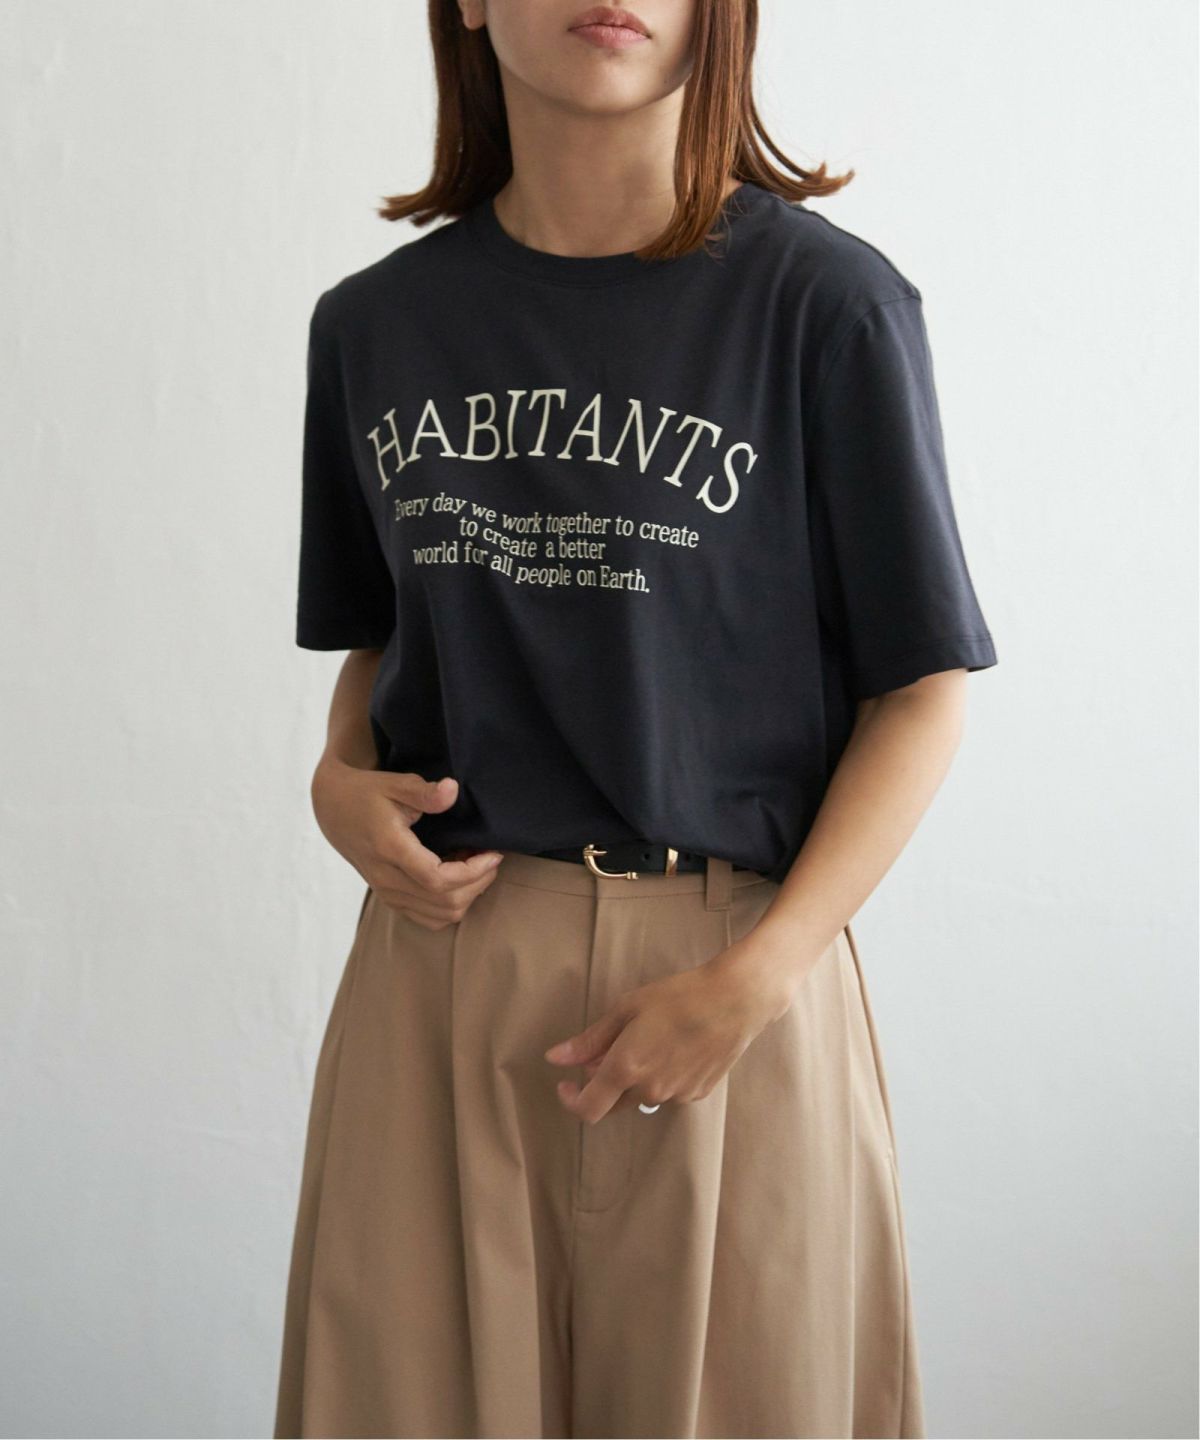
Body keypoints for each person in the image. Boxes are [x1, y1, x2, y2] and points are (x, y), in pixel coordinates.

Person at [272, 1, 998, 1436]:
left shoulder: (826, 306)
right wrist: (335, 778)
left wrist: (759, 978)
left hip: (731, 977)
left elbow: (921, 694)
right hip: (445, 972)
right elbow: (383, 639)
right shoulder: (377, 325)